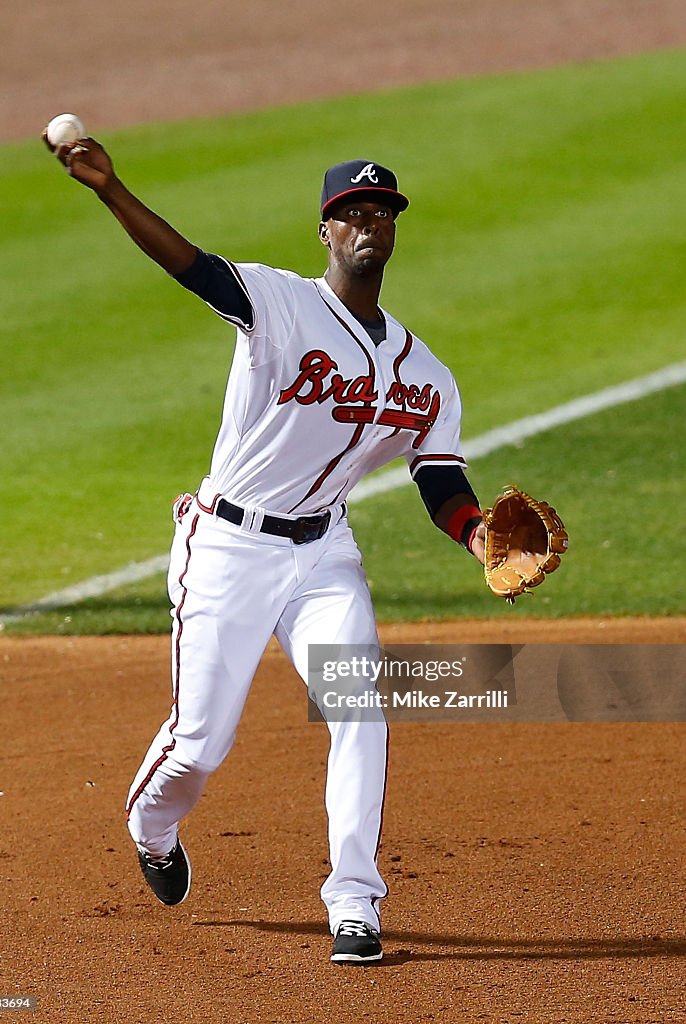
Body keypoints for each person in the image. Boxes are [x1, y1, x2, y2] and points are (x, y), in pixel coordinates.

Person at [44, 131, 486, 964]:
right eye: (350, 211)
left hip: (325, 558)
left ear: (395, 227)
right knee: (200, 745)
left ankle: (354, 903)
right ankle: (151, 827)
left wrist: (479, 535)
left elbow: (440, 478)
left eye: (380, 210)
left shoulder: (424, 370)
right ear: (326, 229)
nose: (367, 222)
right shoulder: (279, 303)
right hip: (228, 548)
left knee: (361, 710)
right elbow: (194, 267)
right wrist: (111, 189)